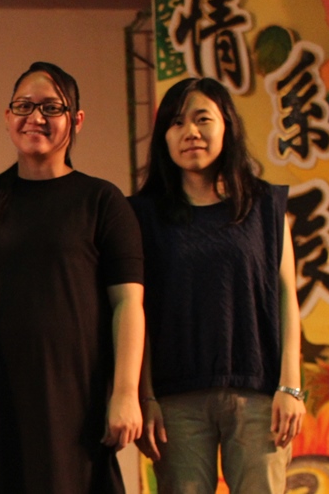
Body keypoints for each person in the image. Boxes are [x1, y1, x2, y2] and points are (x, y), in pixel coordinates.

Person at [0, 62, 146, 493]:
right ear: (8, 116)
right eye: (24, 106)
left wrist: (125, 392)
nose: (35, 117)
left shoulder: (102, 201)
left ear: (76, 119)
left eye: (51, 107)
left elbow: (127, 303)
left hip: (73, 397)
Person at [129, 77, 305, 493]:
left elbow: (286, 296)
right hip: (175, 399)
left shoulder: (265, 206)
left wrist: (290, 386)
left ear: (227, 125)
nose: (189, 132)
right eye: (176, 123)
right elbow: (137, 309)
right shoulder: (141, 216)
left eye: (202, 119)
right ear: (163, 138)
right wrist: (145, 395)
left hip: (259, 393)